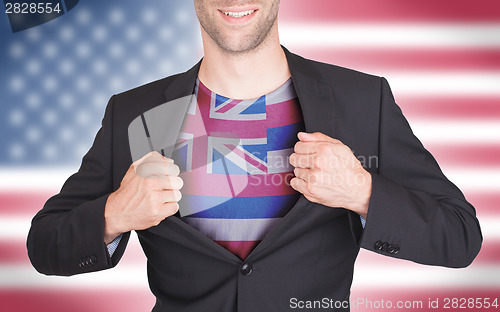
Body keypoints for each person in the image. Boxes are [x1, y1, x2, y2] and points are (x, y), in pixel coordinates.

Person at [27, 1, 482, 311]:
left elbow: (460, 236)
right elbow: (45, 245)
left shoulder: (363, 100)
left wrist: (363, 191)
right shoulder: (134, 112)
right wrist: (114, 214)